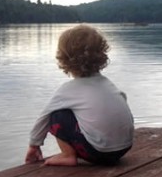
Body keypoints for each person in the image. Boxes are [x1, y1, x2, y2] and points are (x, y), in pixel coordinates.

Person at [25, 24, 134, 166]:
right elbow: (122, 101)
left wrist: (34, 145)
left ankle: (67, 155)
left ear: (63, 58)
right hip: (123, 149)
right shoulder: (109, 85)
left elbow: (43, 118)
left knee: (56, 115)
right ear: (102, 54)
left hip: (98, 153)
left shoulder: (68, 90)